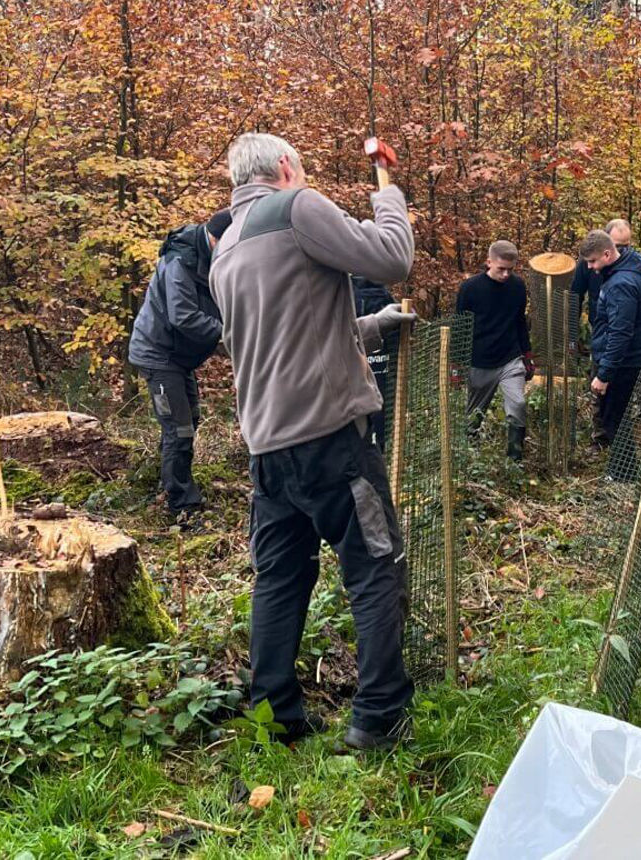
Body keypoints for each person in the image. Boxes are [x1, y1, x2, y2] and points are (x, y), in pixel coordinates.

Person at [209, 132, 417, 751]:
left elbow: (284, 339)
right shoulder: (297, 207)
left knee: (279, 580)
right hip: (330, 437)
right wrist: (391, 195)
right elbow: (392, 258)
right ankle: (379, 716)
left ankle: (275, 715)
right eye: (299, 166)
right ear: (284, 166)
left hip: (267, 448)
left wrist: (374, 327)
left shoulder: (225, 249)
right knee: (375, 566)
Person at [128, 209, 233, 527]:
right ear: (215, 239)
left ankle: (168, 483)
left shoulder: (214, 260)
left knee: (189, 420)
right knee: (179, 428)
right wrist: (228, 334)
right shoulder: (180, 261)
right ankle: (181, 507)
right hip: (158, 355)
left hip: (179, 359)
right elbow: (183, 315)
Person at [456, 240, 534, 461]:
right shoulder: (470, 289)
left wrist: (527, 355)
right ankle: (469, 458)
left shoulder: (518, 287)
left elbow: (519, 321)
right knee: (473, 416)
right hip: (479, 360)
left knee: (517, 404)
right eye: (501, 268)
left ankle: (514, 460)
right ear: (489, 262)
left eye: (511, 269)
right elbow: (460, 327)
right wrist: (456, 364)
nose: (506, 274)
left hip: (510, 358)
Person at [580, 230, 641, 450]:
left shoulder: (619, 285)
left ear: (607, 254)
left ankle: (623, 473)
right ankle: (619, 469)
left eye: (593, 261)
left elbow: (620, 333)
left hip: (623, 362)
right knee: (615, 415)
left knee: (614, 419)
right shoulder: (636, 263)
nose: (590, 268)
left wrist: (604, 374)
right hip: (632, 356)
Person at [570, 218, 641, 327]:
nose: (621, 251)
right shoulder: (589, 260)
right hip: (600, 326)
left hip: (630, 328)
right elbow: (575, 295)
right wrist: (571, 332)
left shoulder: (637, 262)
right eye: (617, 246)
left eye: (626, 246)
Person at [351, 275, 398, 450]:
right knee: (381, 407)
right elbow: (397, 334)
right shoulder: (386, 298)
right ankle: (380, 446)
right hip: (383, 365)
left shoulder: (348, 295)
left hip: (353, 365)